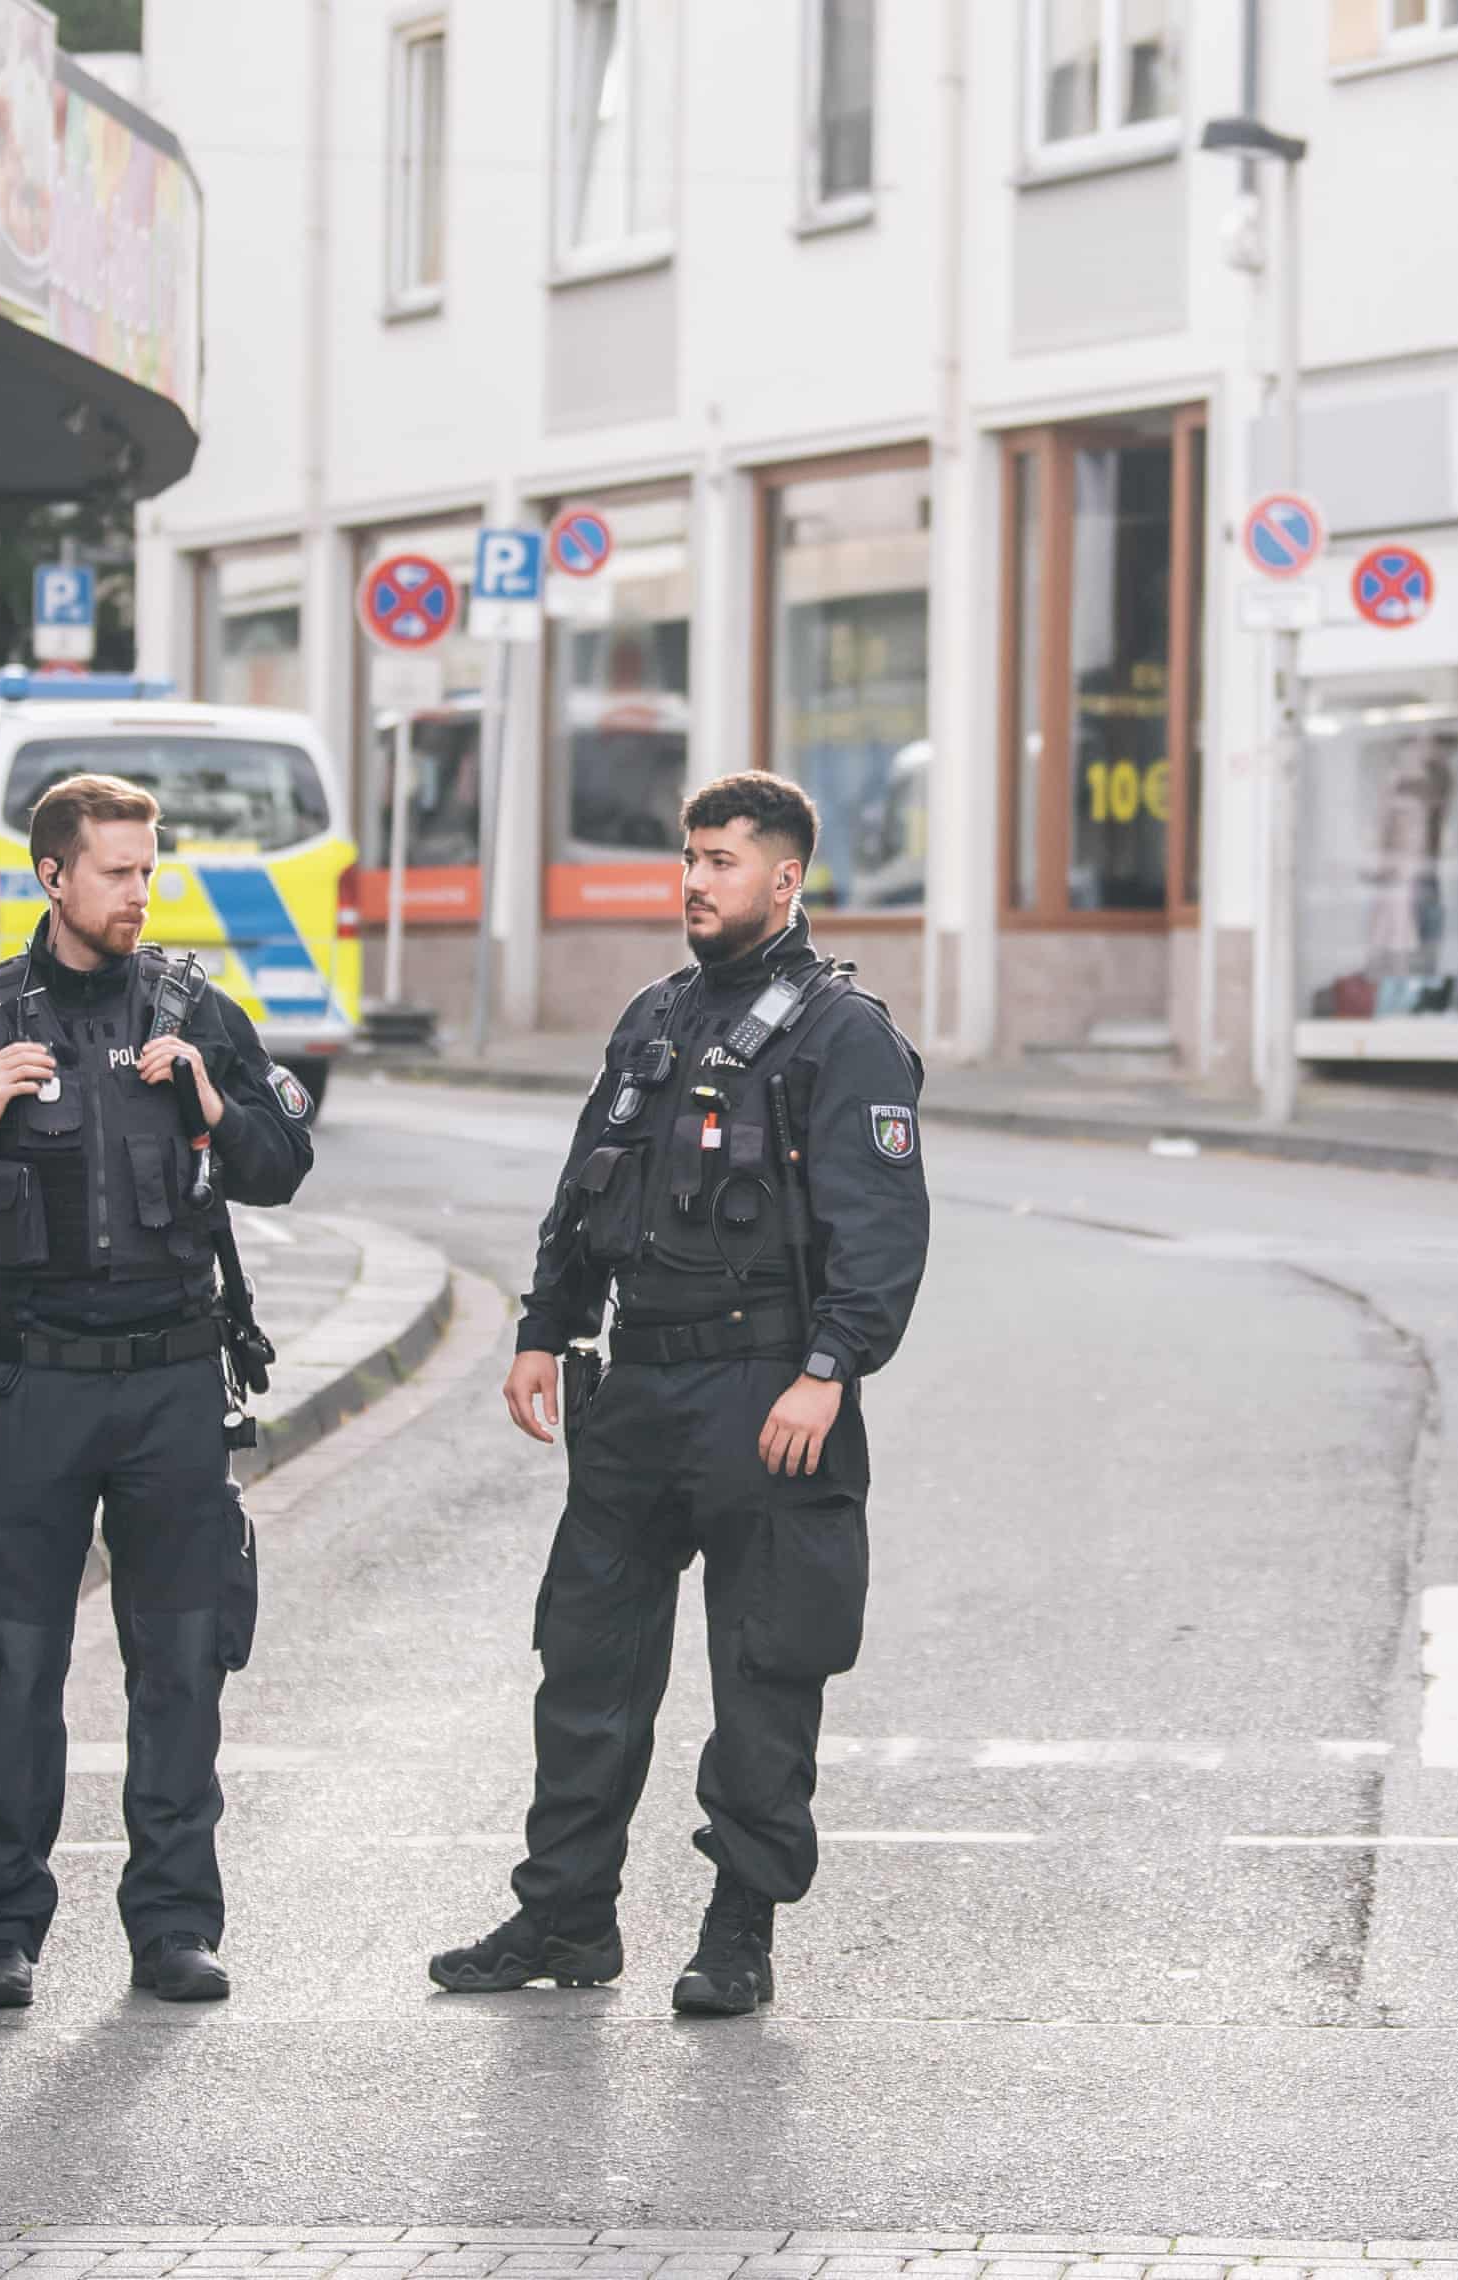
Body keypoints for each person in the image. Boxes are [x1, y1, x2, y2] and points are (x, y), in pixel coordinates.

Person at [431, 772, 928, 2017]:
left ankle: (736, 1932)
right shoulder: (655, 1015)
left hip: (767, 1393)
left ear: (785, 877)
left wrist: (828, 1372)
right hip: (637, 1388)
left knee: (765, 1672)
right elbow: (581, 1185)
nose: (694, 879)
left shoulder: (840, 1033)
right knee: (585, 1664)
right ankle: (564, 1919)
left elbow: (882, 1235)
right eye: (689, 856)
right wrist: (544, 1328)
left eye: (719, 860)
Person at [0, 772, 317, 2011]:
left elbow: (282, 1167)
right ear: (53, 878)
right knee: (15, 1673)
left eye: (147, 868)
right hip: (36, 1389)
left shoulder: (190, 1010)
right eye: (117, 871)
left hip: (174, 1383)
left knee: (180, 1669)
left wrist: (212, 1100)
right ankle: (0, 1933)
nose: (139, 892)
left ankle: (172, 1928)